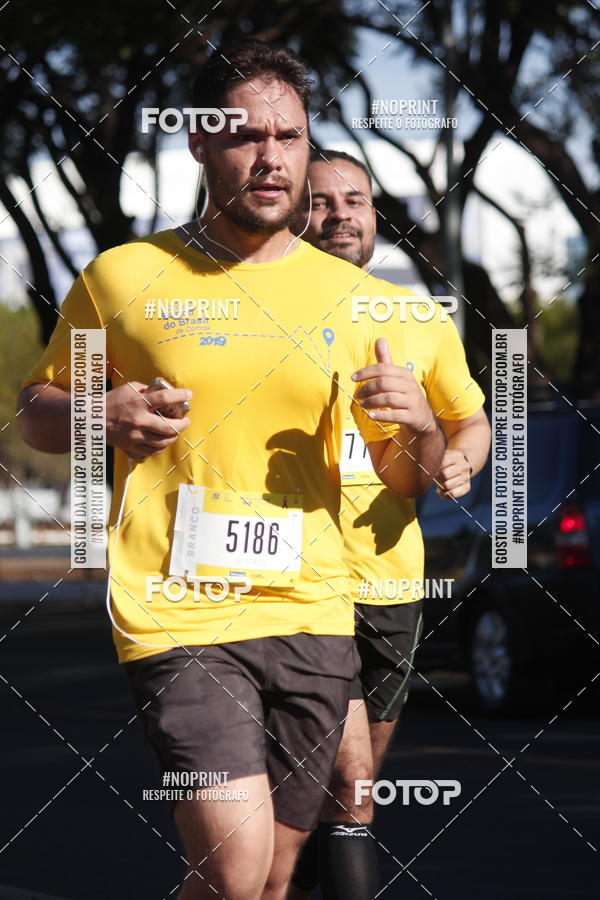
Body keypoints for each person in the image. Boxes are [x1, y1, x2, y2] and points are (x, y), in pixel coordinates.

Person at [17, 44, 447, 900]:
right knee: (237, 863)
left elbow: (409, 480)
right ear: (199, 147)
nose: (271, 156)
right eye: (246, 136)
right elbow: (35, 412)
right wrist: (102, 412)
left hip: (315, 608)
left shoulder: (360, 300)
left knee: (274, 873)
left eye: (289, 136)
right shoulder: (125, 278)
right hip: (178, 608)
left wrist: (424, 426)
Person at [290, 149, 491, 899]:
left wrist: (462, 460)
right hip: (293, 582)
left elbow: (471, 418)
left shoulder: (414, 316)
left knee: (349, 787)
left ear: (375, 215)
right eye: (320, 201)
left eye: (356, 199)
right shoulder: (253, 310)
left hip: (389, 581)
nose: (340, 213)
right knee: (351, 783)